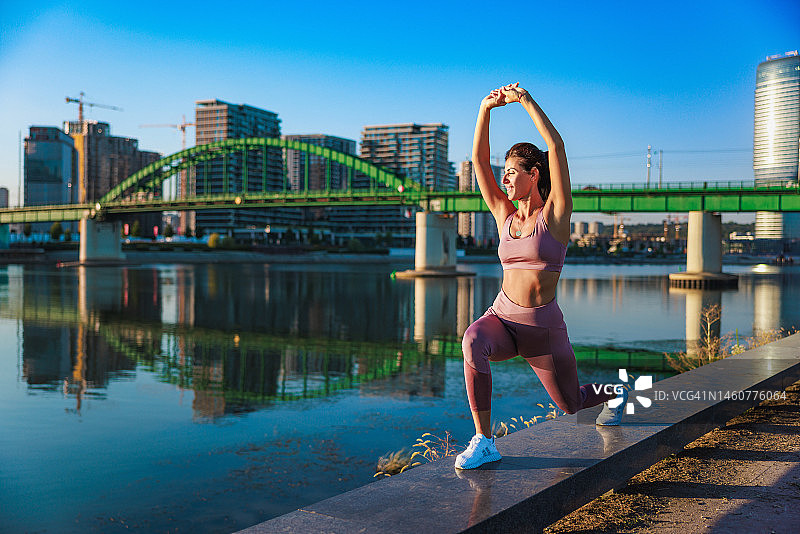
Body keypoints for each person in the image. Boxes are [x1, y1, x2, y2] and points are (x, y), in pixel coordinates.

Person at [454, 83, 626, 470]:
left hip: (542, 329)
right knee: (472, 340)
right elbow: (479, 163)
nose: (505, 180)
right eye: (504, 173)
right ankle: (484, 440)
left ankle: (616, 391)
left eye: (513, 173)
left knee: (572, 404)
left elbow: (557, 148)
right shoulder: (504, 215)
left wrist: (525, 101)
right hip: (501, 318)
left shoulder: (556, 216)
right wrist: (485, 110)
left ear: (534, 174)